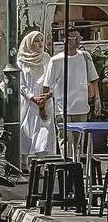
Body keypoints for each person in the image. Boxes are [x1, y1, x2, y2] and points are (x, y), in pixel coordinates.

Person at [41, 29, 102, 160]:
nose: (79, 40)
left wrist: (97, 99)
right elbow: (47, 85)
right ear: (66, 40)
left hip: (81, 106)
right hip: (62, 107)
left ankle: (77, 165)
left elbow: (94, 79)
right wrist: (43, 106)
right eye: (75, 38)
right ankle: (67, 166)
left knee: (77, 141)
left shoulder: (85, 56)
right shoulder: (56, 61)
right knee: (65, 139)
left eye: (78, 37)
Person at [17, 28, 53, 168]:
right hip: (28, 102)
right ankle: (23, 163)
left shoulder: (47, 58)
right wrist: (32, 98)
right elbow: (20, 83)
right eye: (36, 41)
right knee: (25, 131)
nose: (40, 44)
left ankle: (40, 165)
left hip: (45, 101)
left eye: (41, 41)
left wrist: (45, 97)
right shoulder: (21, 61)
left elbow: (52, 80)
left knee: (43, 133)